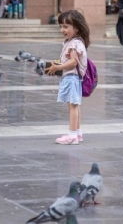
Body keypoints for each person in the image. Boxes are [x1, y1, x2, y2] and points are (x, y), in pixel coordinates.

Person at [46, 10, 90, 145]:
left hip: (72, 77)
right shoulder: (72, 42)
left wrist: (57, 68)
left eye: (66, 27)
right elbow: (68, 60)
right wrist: (56, 64)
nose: (62, 30)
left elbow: (73, 62)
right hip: (72, 77)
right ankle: (77, 133)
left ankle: (72, 136)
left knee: (73, 106)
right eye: (61, 26)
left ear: (76, 27)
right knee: (75, 105)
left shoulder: (75, 44)